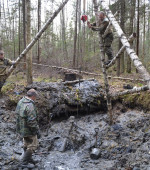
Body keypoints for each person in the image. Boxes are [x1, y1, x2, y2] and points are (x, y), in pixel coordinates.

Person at [16, 89, 40, 167]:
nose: (35, 98)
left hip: (21, 128)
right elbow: (32, 121)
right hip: (29, 130)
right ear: (33, 96)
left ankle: (28, 158)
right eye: (35, 97)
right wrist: (36, 131)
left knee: (26, 143)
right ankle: (24, 162)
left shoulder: (21, 101)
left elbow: (17, 114)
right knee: (33, 145)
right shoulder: (30, 105)